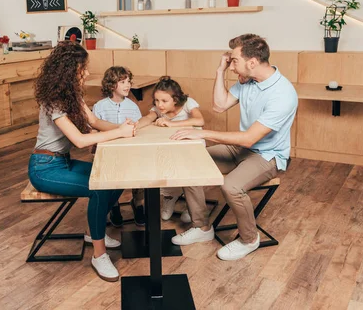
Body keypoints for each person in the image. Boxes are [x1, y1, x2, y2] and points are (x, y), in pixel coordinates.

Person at [169, 34, 298, 261]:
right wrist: (219, 71)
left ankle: (249, 239)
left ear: (252, 62)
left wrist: (202, 133)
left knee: (231, 187)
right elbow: (219, 106)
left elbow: (249, 139)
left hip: (267, 155)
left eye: (234, 61)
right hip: (240, 149)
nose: (231, 66)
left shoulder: (282, 94)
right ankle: (202, 228)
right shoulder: (248, 81)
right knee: (191, 164)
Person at [29, 42, 136, 282]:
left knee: (116, 177)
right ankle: (99, 255)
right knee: (98, 188)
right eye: (83, 68)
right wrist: (119, 133)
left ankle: (93, 231)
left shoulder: (71, 95)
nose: (87, 73)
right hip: (44, 168)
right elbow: (79, 140)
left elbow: (95, 122)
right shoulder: (54, 100)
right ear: (69, 70)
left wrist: (125, 127)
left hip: (62, 163)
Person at [137, 76, 205, 223]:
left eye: (164, 101)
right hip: (172, 145)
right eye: (156, 100)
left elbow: (200, 120)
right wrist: (135, 126)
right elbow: (148, 118)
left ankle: (190, 205)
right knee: (166, 167)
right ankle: (170, 197)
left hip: (192, 146)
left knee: (188, 173)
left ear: (175, 99)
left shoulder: (188, 104)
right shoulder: (159, 109)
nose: (159, 105)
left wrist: (171, 123)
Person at [93, 66, 146, 227]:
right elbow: (95, 129)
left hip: (129, 151)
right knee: (109, 175)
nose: (127, 85)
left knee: (140, 172)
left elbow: (137, 129)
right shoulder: (100, 106)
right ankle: (113, 205)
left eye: (128, 81)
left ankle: (138, 203)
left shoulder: (133, 106)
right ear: (111, 85)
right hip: (108, 152)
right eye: (122, 82)